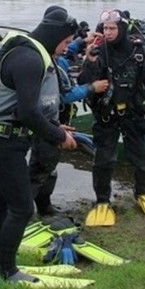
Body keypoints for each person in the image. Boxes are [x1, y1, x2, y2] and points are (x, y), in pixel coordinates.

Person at [0, 5, 79, 284]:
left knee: (1, 202)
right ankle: (8, 271)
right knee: (22, 207)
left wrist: (55, 126)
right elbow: (27, 113)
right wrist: (59, 137)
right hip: (2, 142)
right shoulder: (29, 59)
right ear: (56, 35)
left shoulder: (21, 48)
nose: (64, 50)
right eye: (66, 43)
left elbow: (26, 110)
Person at [77, 8, 145, 223]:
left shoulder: (140, 51)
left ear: (122, 28)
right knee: (104, 159)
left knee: (144, 155)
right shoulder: (98, 50)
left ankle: (142, 193)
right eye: (105, 28)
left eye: (113, 28)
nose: (108, 32)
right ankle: (102, 201)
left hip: (135, 112)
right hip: (106, 114)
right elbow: (83, 82)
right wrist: (89, 61)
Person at [29, 33, 109, 216]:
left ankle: (43, 206)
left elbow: (66, 53)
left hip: (57, 123)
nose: (66, 48)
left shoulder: (57, 59)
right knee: (41, 169)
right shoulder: (47, 65)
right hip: (48, 126)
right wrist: (91, 88)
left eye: (68, 42)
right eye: (64, 42)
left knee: (50, 168)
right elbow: (64, 95)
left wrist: (81, 42)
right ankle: (26, 213)